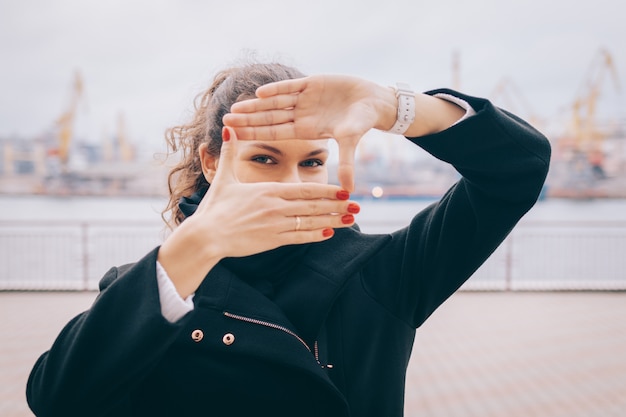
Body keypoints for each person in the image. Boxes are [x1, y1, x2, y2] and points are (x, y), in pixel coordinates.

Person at [26, 61, 551, 417]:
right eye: (264, 159)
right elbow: (60, 398)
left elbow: (517, 169)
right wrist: (197, 245)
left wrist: (395, 107)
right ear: (212, 161)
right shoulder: (155, 286)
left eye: (312, 162)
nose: (292, 184)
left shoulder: (384, 273)